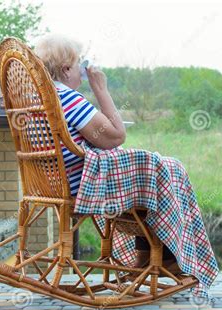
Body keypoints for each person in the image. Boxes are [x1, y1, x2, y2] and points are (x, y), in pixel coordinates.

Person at [34, 34, 180, 272]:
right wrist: (100, 88)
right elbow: (115, 136)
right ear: (66, 68)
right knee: (161, 170)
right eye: (79, 64)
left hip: (48, 183)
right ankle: (167, 257)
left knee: (149, 171)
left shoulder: (39, 97)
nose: (81, 71)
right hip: (79, 186)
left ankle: (146, 257)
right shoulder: (66, 98)